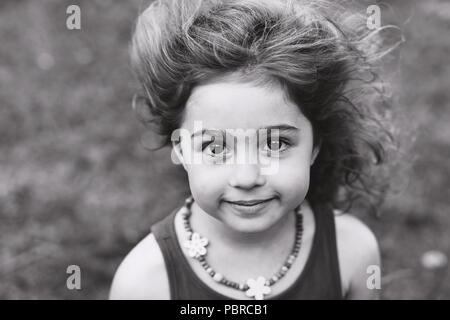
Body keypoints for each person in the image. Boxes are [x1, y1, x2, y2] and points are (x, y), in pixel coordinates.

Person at [110, 0, 400, 300]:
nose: (247, 178)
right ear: (181, 150)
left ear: (315, 146)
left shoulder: (351, 253)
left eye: (275, 144)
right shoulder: (145, 284)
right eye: (215, 147)